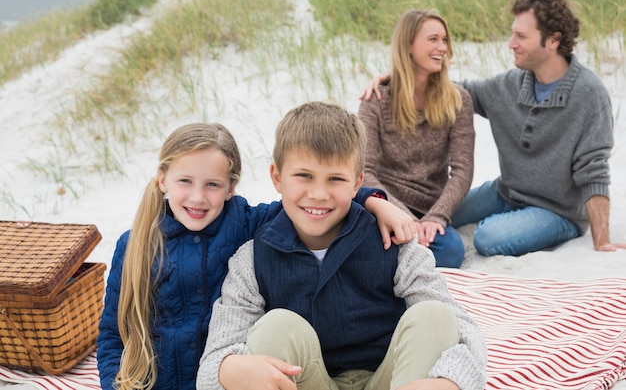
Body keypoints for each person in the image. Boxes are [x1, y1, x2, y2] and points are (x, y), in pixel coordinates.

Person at [96, 123, 417, 390]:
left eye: (212, 184)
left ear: (230, 187)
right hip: (159, 382)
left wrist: (375, 201)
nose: (197, 197)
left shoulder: (246, 221)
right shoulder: (136, 243)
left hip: (231, 378)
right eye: (184, 181)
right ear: (163, 179)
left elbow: (308, 201)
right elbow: (113, 332)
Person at [196, 102, 487, 390]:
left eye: (335, 179)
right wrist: (227, 368)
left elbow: (465, 332)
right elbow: (212, 364)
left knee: (435, 315)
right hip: (309, 381)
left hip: (391, 379)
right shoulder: (253, 259)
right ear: (277, 177)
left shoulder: (392, 242)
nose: (319, 194)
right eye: (304, 176)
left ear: (357, 183)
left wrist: (449, 381)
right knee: (276, 327)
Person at [361, 0, 626, 256]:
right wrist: (397, 77)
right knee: (437, 211)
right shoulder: (509, 85)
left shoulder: (589, 95)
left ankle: (565, 228)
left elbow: (594, 172)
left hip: (557, 209)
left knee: (488, 238)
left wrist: (601, 240)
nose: (511, 43)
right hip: (505, 193)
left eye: (521, 36)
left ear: (553, 40)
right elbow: (446, 90)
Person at [358, 9, 474, 268]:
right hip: (385, 204)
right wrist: (401, 217)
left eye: (445, 40)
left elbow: (463, 170)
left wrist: (436, 217)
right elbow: (364, 170)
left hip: (431, 209)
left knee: (451, 251)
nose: (442, 47)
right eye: (433, 39)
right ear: (408, 45)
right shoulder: (377, 99)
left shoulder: (458, 100)